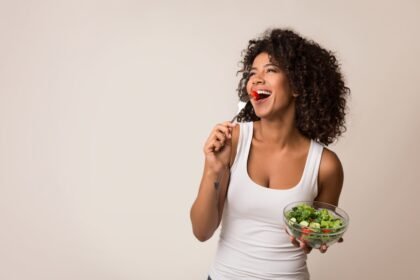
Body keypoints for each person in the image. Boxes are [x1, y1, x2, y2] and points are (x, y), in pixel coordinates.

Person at [190, 28, 350, 280]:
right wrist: (213, 168)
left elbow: (312, 235)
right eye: (252, 74)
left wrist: (316, 237)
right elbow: (201, 231)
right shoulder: (231, 143)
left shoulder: (325, 165)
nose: (256, 79)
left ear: (297, 85)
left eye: (271, 70)